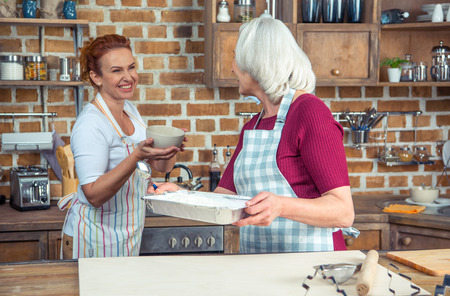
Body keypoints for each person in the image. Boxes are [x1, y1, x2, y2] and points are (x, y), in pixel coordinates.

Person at [154, 17, 355, 254]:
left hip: (310, 266)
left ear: (256, 62)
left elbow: (343, 212)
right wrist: (181, 196)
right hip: (259, 264)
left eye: (235, 57)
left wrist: (281, 206)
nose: (232, 67)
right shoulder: (253, 126)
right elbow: (223, 199)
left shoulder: (309, 112)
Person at [58, 34, 185, 259]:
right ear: (97, 77)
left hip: (127, 234)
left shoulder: (131, 111)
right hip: (94, 237)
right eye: (117, 70)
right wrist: (136, 155)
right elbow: (93, 195)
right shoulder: (90, 124)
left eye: (131, 67)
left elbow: (160, 167)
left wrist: (169, 150)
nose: (129, 77)